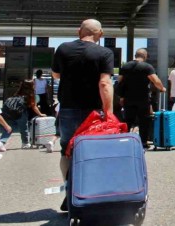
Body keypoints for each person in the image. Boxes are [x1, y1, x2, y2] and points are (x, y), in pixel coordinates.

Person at [51, 19, 114, 212]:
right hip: (93, 111)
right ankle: (92, 195)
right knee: (94, 152)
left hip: (68, 108)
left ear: (79, 31)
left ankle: (70, 192)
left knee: (66, 151)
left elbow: (55, 75)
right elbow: (104, 83)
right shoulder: (104, 53)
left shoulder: (62, 48)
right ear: (100, 34)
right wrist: (109, 112)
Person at [117, 48, 166, 147]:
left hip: (128, 98)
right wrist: (162, 88)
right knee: (144, 120)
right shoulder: (147, 67)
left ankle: (125, 140)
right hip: (143, 98)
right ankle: (143, 142)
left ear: (135, 55)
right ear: (145, 56)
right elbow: (156, 81)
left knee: (128, 119)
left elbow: (120, 82)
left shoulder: (125, 66)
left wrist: (121, 96)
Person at [0, 79, 47, 149]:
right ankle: (25, 143)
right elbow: (34, 106)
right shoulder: (30, 94)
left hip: (7, 112)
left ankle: (1, 142)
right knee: (24, 128)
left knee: (9, 128)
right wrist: (40, 114)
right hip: (19, 113)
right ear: (32, 86)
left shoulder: (17, 93)